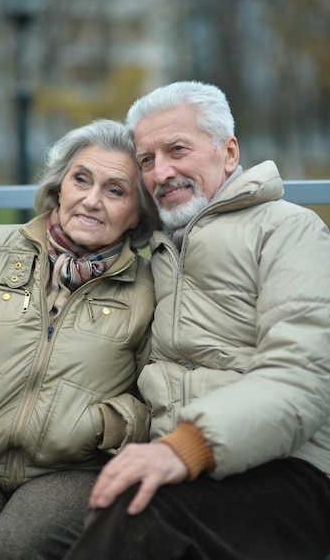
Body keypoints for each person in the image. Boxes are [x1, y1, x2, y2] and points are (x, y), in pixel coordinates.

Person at [65, 81, 330, 560]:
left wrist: (183, 447)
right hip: (176, 462)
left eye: (177, 150)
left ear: (228, 152)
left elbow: (302, 378)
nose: (161, 172)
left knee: (136, 518)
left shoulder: (289, 229)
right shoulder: (158, 250)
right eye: (146, 160)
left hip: (288, 467)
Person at [0, 118, 158, 560]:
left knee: (11, 549)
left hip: (74, 472)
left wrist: (106, 425)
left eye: (115, 190)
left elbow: (159, 391)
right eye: (80, 180)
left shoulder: (148, 287)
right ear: (58, 187)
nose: (91, 200)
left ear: (138, 211)